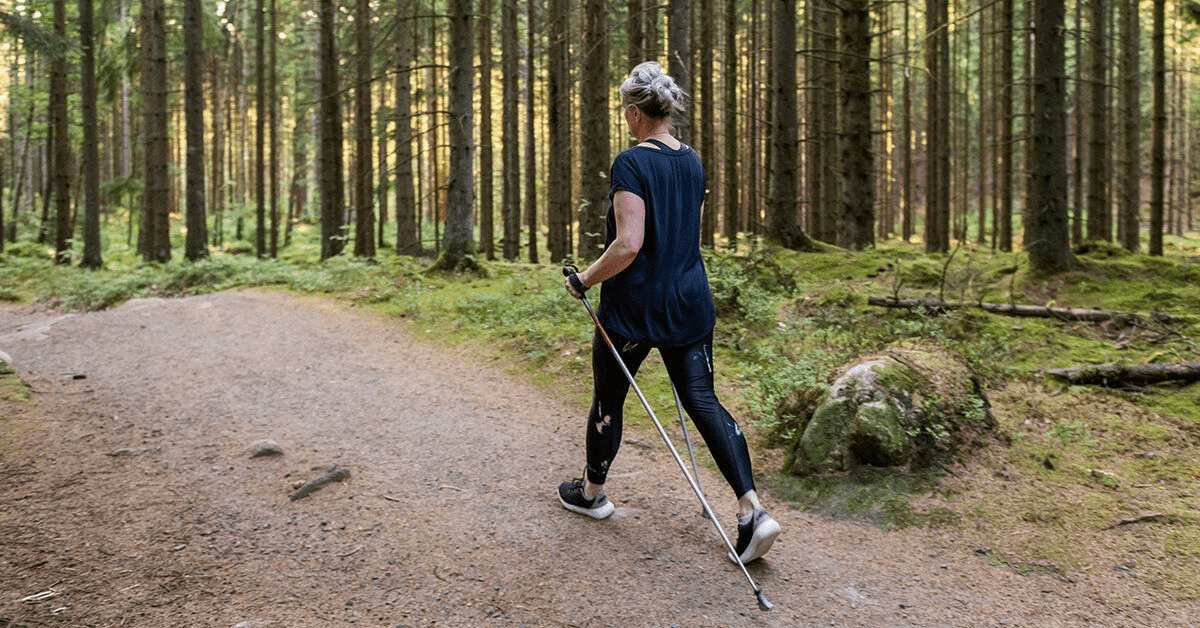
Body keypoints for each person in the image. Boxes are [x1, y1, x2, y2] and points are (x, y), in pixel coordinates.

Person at [557, 61, 780, 564]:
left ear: (636, 114)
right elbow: (688, 237)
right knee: (703, 399)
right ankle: (752, 510)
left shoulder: (630, 163)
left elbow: (628, 244)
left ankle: (592, 494)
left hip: (633, 311)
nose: (624, 118)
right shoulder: (692, 160)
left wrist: (583, 280)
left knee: (609, 398)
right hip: (690, 302)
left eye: (625, 110)